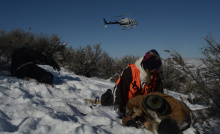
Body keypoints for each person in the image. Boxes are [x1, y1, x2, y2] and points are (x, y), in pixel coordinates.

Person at [112, 49, 163, 117]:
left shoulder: (156, 76)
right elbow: (119, 90)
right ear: (149, 66)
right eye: (156, 68)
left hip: (142, 107)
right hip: (127, 105)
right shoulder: (130, 71)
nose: (157, 70)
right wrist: (119, 109)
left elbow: (160, 95)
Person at [123, 92, 193, 134]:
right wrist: (134, 115)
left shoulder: (178, 115)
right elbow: (131, 104)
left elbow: (167, 130)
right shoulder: (150, 98)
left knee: (165, 128)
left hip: (169, 120)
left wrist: (145, 125)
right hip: (154, 113)